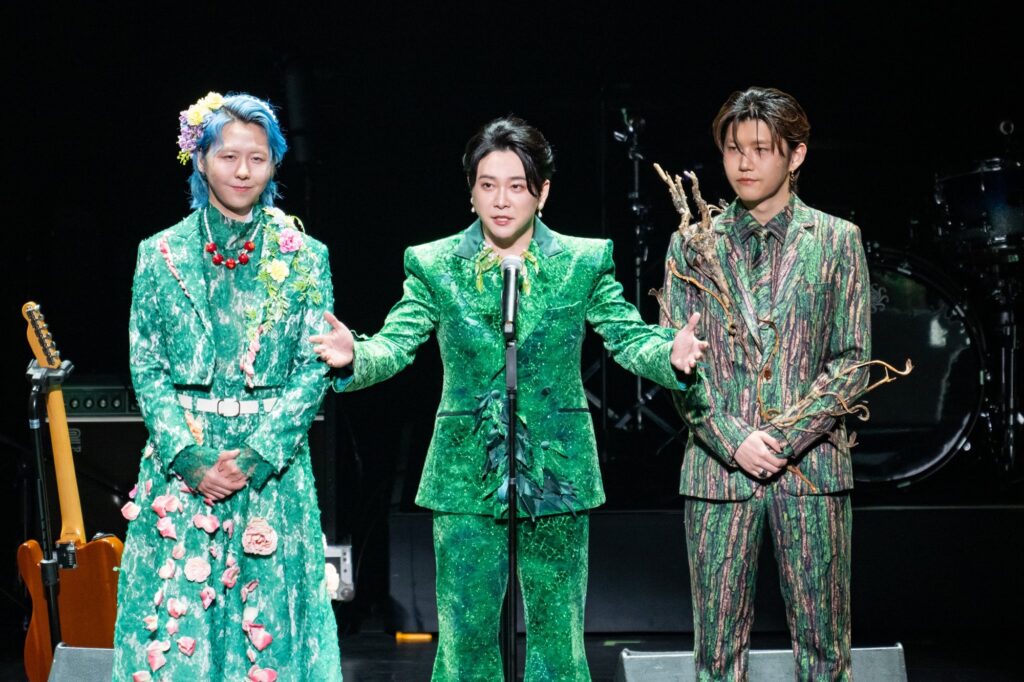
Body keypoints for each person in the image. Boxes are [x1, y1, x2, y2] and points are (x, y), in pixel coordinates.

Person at [310, 115, 706, 681]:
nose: (501, 200)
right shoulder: (433, 263)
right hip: (465, 475)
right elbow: (395, 343)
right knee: (466, 641)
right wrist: (356, 355)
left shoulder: (583, 260)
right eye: (488, 185)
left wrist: (669, 354)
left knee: (558, 643)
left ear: (542, 192)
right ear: (470, 192)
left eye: (516, 186)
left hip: (557, 472)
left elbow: (626, 335)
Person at [112, 92, 342, 681]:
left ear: (274, 164)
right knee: (178, 634)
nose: (243, 171)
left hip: (272, 469)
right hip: (183, 467)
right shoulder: (159, 254)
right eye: (229, 156)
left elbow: (313, 366)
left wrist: (257, 455)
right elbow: (146, 365)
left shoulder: (306, 257)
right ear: (201, 160)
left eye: (257, 158)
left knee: (272, 633)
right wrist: (189, 458)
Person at [661, 86, 871, 681]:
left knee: (825, 649)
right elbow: (676, 362)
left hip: (811, 471)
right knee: (716, 654)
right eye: (733, 150)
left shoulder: (836, 240)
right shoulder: (691, 245)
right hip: (718, 471)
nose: (744, 163)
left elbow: (851, 362)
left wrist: (782, 438)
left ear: (795, 154)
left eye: (760, 149)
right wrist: (734, 440)